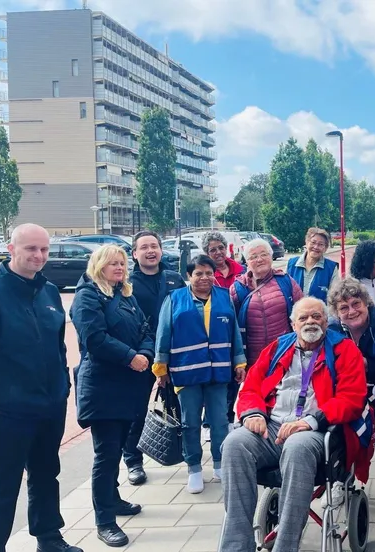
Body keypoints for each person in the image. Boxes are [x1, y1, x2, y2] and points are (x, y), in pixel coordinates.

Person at [0, 224, 82, 552]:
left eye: (44, 249)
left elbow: (58, 345)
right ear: (11, 248)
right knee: (2, 485)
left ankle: (49, 538)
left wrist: (63, 387)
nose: (39, 256)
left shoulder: (47, 292)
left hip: (49, 407)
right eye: (31, 249)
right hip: (7, 413)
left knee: (47, 476)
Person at [219, 297, 367, 552]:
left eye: (316, 316)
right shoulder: (277, 347)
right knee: (234, 444)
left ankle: (286, 547)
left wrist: (310, 421)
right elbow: (251, 387)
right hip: (273, 424)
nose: (310, 321)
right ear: (293, 324)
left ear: (326, 321)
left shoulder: (344, 350)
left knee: (298, 447)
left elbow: (351, 398)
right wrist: (253, 414)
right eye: (303, 318)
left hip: (317, 429)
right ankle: (235, 546)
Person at [71, 245, 155, 547]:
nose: (119, 268)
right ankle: (104, 521)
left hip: (129, 385)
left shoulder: (125, 294)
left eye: (122, 263)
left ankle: (113, 497)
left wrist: (145, 353)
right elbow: (94, 338)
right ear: (98, 266)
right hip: (103, 388)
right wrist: (131, 357)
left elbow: (146, 329)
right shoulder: (88, 296)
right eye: (112, 264)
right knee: (106, 456)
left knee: (118, 449)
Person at [153, 255, 246, 494]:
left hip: (218, 371)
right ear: (189, 276)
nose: (204, 278)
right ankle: (193, 467)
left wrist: (239, 362)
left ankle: (219, 463)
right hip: (187, 372)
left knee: (219, 421)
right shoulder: (174, 300)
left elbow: (234, 333)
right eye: (199, 273)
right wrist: (160, 368)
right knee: (190, 422)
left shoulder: (224, 298)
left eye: (208, 273)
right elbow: (163, 334)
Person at [124, 230, 185, 486]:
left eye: (154, 246)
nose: (151, 251)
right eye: (144, 247)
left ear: (161, 250)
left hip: (173, 353)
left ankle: (179, 451)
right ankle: (133, 460)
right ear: (135, 253)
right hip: (141, 355)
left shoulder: (174, 278)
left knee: (176, 406)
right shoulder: (126, 283)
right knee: (136, 408)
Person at [327, 276, 375, 465]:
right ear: (336, 312)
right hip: (347, 394)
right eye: (344, 308)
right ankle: (343, 481)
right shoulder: (332, 330)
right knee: (335, 435)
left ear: (366, 302)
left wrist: (368, 365)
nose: (352, 311)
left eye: (356, 304)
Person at [230, 239, 303, 367]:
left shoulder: (286, 281)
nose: (259, 259)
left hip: (283, 352)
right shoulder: (237, 288)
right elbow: (231, 327)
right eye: (253, 256)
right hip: (252, 358)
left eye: (264, 254)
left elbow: (302, 312)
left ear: (271, 257)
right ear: (246, 262)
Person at [287, 227, 340, 303]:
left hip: (320, 313)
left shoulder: (331, 268)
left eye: (320, 244)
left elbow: (335, 297)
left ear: (325, 248)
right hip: (295, 313)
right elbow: (285, 292)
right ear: (306, 242)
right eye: (313, 242)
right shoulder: (291, 264)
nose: (316, 247)